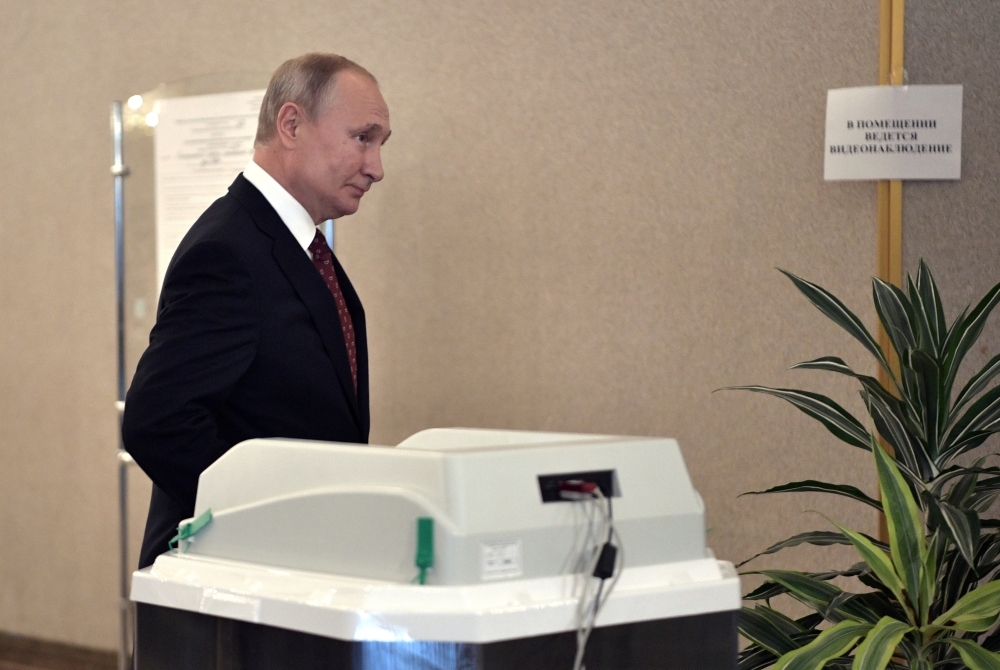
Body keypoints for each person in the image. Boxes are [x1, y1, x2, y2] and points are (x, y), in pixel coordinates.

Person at [122, 53, 391, 569]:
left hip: (292, 573)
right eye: (363, 137)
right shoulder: (228, 251)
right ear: (291, 124)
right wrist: (271, 523)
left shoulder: (299, 245)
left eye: (381, 144)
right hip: (235, 580)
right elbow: (158, 422)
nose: (376, 167)